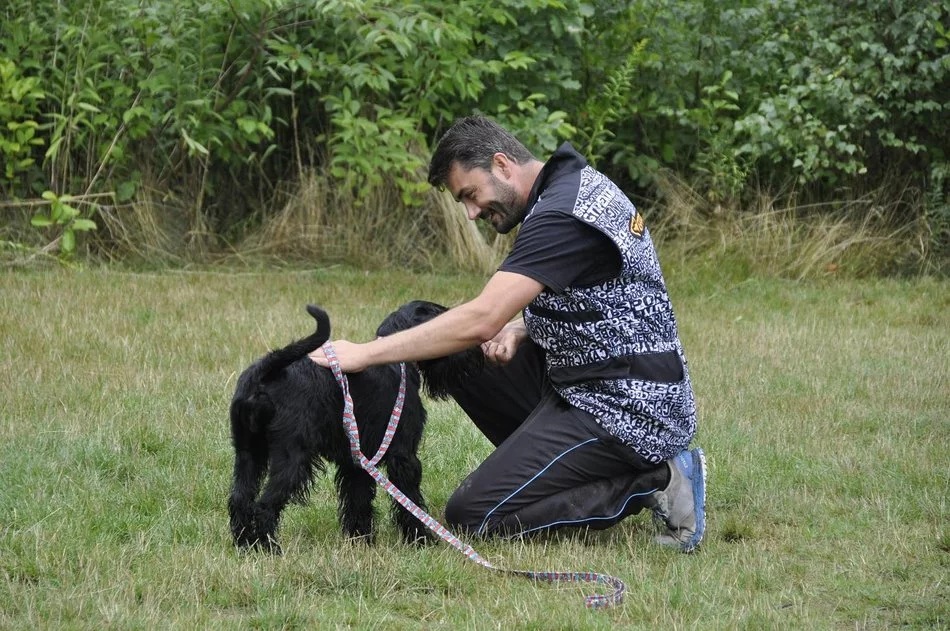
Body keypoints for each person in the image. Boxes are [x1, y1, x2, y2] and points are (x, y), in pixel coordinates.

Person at [309, 115, 706, 551]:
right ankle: (564, 466)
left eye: (470, 195)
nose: (472, 212)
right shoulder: (569, 186)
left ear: (502, 164)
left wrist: (365, 354)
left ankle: (656, 479)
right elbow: (602, 297)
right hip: (583, 382)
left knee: (474, 514)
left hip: (630, 410)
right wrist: (527, 325)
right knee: (412, 322)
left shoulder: (561, 213)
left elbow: (482, 318)